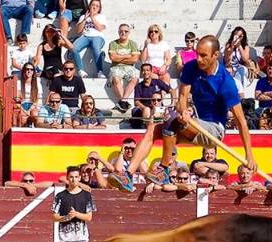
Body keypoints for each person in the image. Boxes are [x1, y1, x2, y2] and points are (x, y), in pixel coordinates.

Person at [108, 35, 256, 193]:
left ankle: (164, 169)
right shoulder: (191, 68)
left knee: (171, 118)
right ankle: (128, 176)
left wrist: (249, 155)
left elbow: (241, 121)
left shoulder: (226, 82)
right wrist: (183, 110)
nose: (198, 59)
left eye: (204, 55)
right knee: (153, 128)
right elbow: (183, 97)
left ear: (215, 55)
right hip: (193, 124)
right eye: (197, 53)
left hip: (214, 130)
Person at [107, 23, 139, 113]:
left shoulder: (133, 44)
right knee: (116, 78)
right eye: (121, 31)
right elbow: (113, 58)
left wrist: (119, 58)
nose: (123, 33)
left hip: (129, 67)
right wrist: (128, 56)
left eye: (126, 31)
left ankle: (122, 101)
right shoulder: (113, 43)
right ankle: (124, 101)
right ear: (118, 32)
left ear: (129, 33)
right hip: (116, 67)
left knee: (135, 78)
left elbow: (135, 59)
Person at [70, 0, 106, 78]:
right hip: (85, 36)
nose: (95, 7)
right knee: (73, 48)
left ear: (99, 8)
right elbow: (79, 30)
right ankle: (81, 70)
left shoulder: (101, 17)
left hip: (97, 36)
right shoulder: (83, 16)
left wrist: (92, 17)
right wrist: (85, 19)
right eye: (93, 5)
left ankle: (100, 71)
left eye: (97, 6)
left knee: (96, 48)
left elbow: (100, 28)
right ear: (89, 6)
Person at [130, 63, 172, 128]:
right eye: (143, 70)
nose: (145, 72)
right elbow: (136, 101)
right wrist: (144, 108)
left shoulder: (158, 82)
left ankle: (161, 128)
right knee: (147, 110)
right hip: (145, 108)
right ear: (141, 72)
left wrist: (173, 102)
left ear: (151, 71)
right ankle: (149, 128)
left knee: (163, 110)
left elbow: (171, 90)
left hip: (157, 106)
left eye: (147, 70)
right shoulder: (138, 86)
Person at [223, 26, 251, 99]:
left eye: (240, 36)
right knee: (228, 71)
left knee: (241, 71)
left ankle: (241, 97)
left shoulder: (245, 46)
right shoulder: (228, 45)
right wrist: (232, 46)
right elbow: (227, 59)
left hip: (240, 68)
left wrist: (239, 46)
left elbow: (245, 59)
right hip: (230, 66)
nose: (238, 38)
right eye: (236, 35)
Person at [15, 61, 39, 126]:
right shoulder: (18, 83)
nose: (29, 71)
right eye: (27, 69)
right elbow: (17, 102)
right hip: (21, 106)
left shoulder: (36, 85)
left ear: (33, 72)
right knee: (22, 117)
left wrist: (29, 110)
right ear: (24, 71)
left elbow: (36, 101)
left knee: (35, 114)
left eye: (31, 69)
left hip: (32, 106)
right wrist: (25, 111)